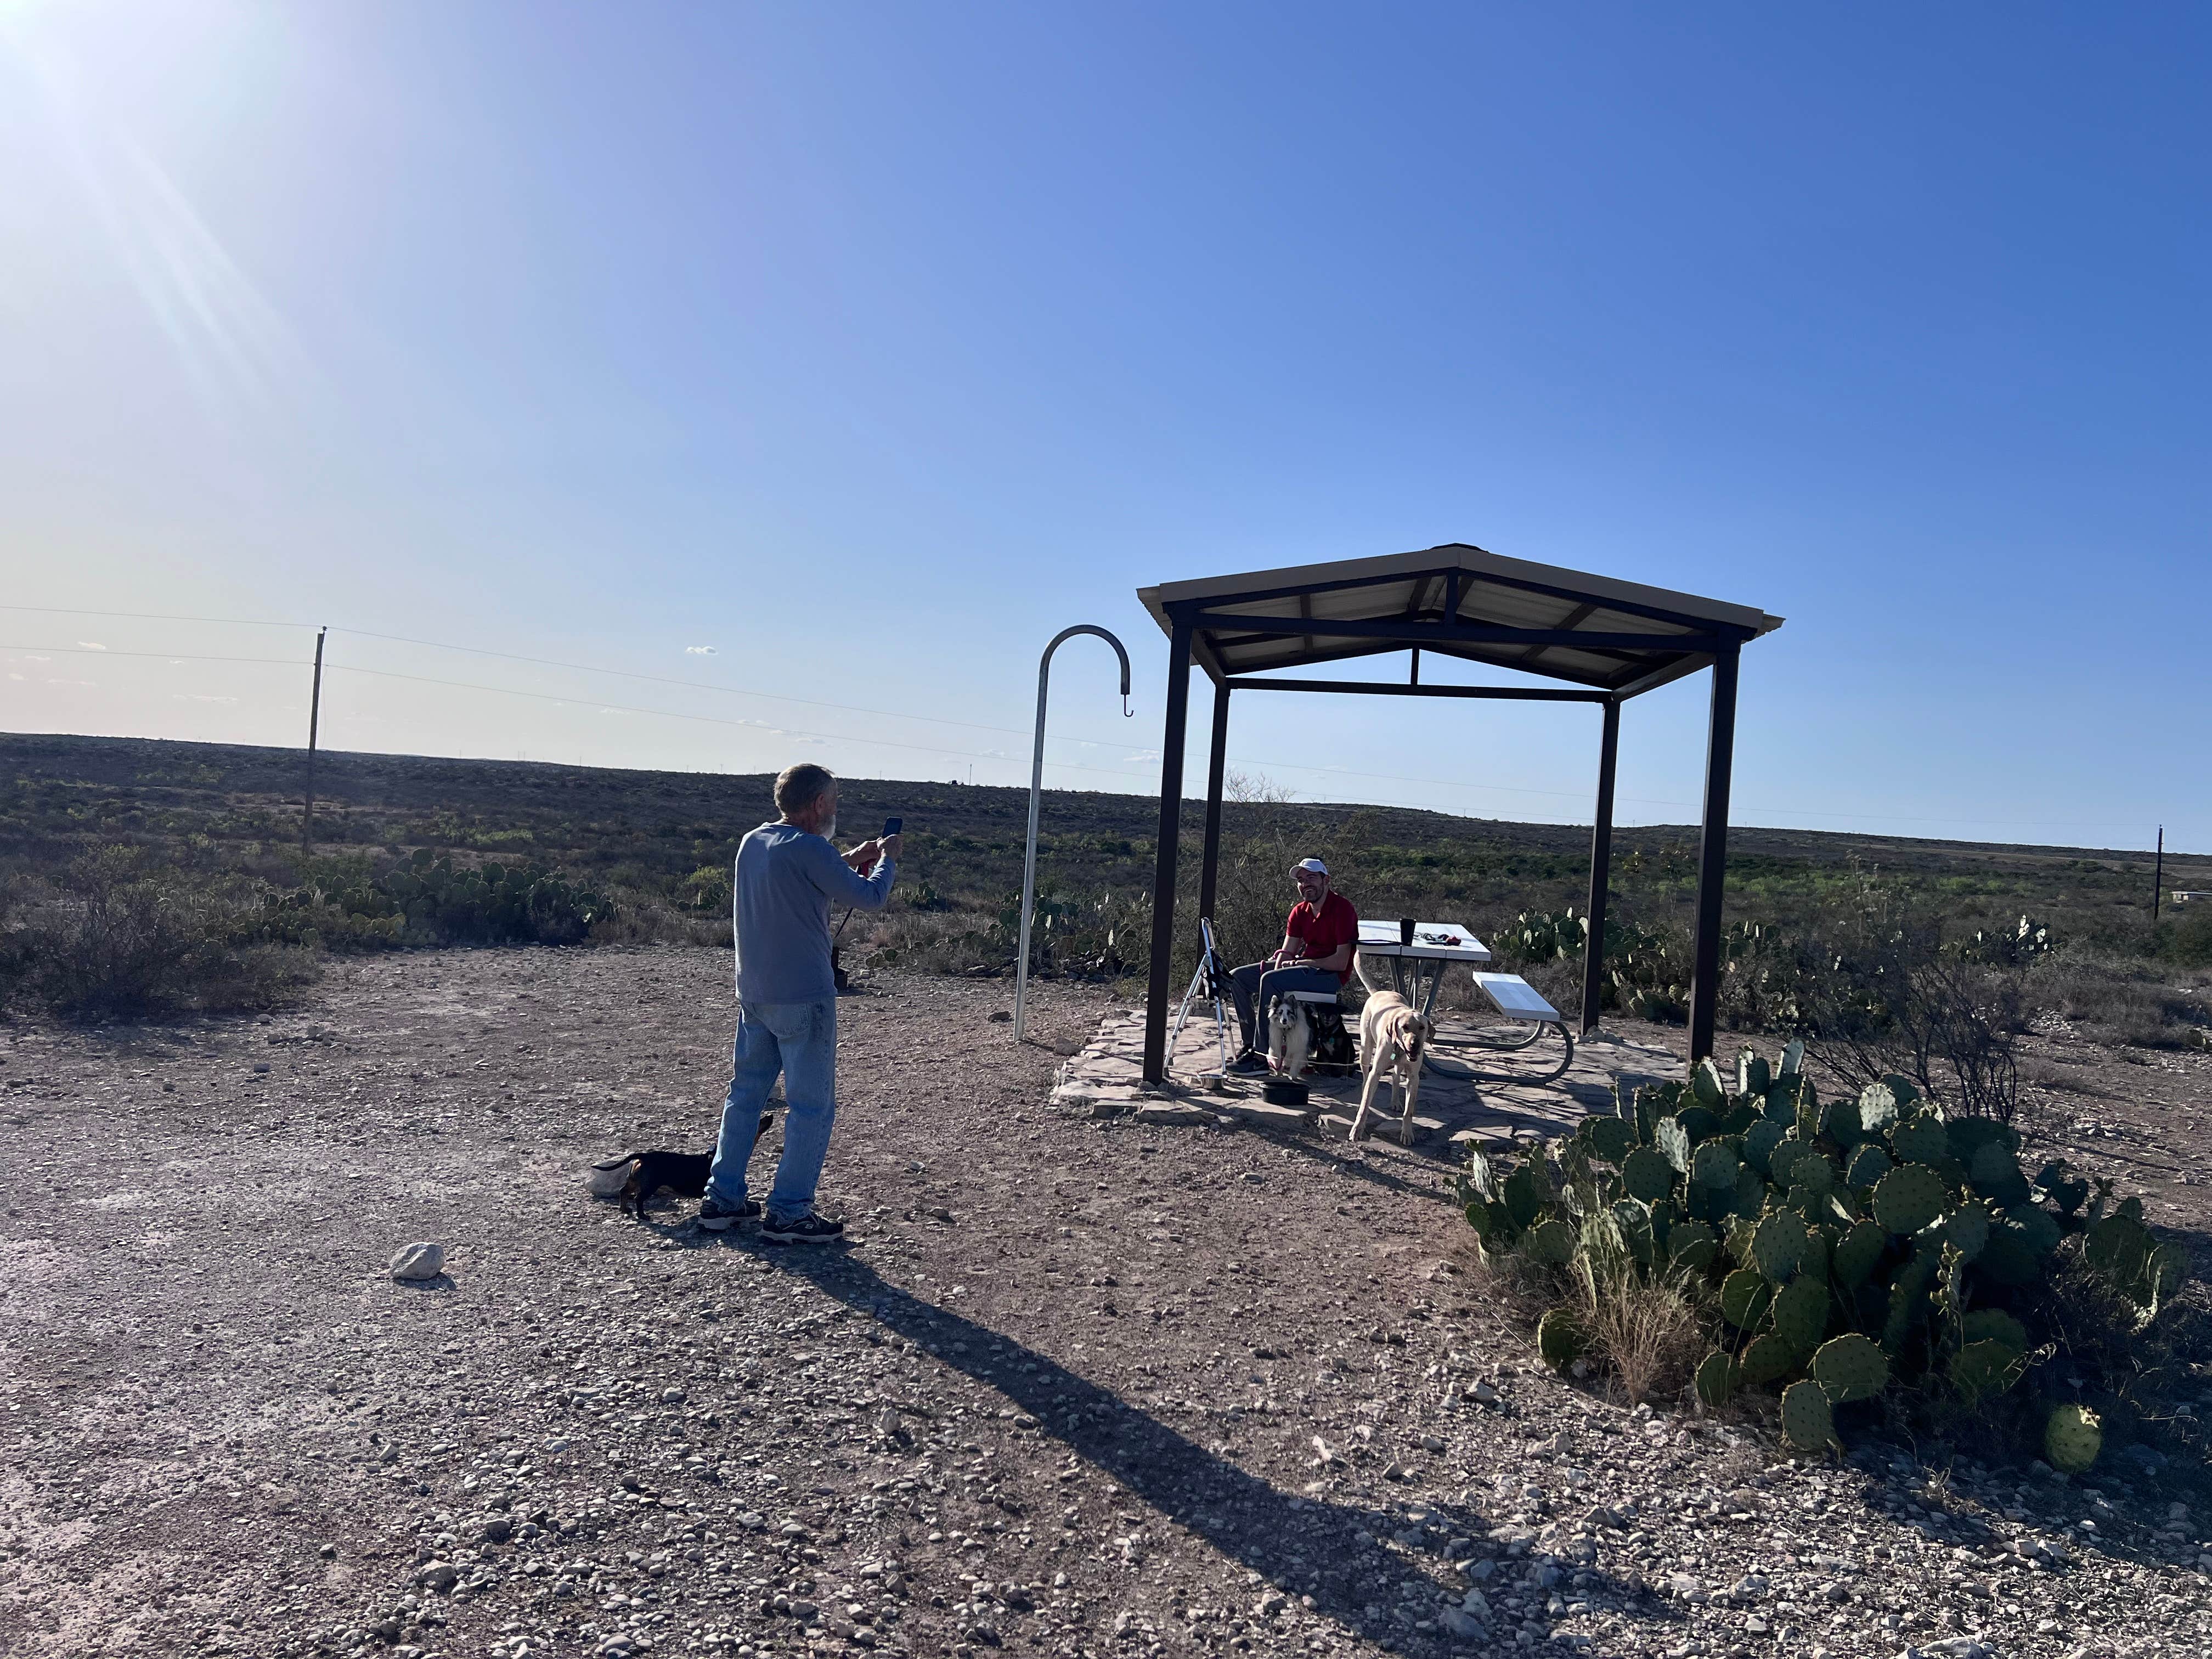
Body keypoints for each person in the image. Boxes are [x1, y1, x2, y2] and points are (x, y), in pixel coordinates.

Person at [698, 763, 899, 1242]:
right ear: (819, 805)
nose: (835, 807)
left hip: (754, 995)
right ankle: (789, 1211)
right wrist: (888, 858)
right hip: (805, 999)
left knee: (745, 1096)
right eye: (834, 800)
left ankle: (722, 1199)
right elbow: (871, 897)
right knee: (811, 1107)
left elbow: (803, 873)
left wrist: (850, 857)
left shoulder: (755, 842)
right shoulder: (812, 849)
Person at [1226, 856, 1359, 1074]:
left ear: (1326, 881)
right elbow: (1288, 950)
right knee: (1237, 977)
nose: (1305, 883)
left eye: (1311, 878)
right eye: (1300, 880)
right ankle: (1251, 1046)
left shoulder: (1342, 909)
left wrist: (1299, 962)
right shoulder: (1299, 911)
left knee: (1270, 980)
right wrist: (1280, 962)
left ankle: (1261, 1057)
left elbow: (1340, 962)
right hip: (1304, 970)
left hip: (1330, 976)